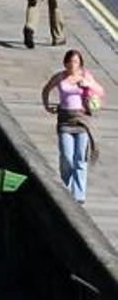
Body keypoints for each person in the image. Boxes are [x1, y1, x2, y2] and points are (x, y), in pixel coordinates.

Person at [42, 48, 105, 205]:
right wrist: (47, 105)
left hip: (82, 121)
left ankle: (79, 194)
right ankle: (66, 186)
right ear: (65, 63)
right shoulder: (60, 77)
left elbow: (100, 91)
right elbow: (46, 89)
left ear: (80, 64)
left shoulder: (85, 76)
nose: (73, 64)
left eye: (76, 62)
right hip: (65, 120)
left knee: (80, 159)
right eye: (70, 61)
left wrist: (88, 84)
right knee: (67, 157)